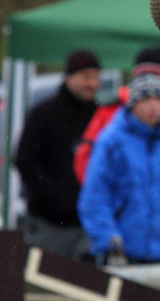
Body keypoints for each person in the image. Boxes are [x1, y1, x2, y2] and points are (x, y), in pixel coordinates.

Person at [74, 46, 160, 210]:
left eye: (156, 76)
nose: (150, 82)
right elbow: (86, 154)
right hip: (122, 209)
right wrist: (105, 196)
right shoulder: (112, 110)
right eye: (144, 76)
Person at [78, 73, 160, 265]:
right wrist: (108, 240)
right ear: (133, 103)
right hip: (121, 255)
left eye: (158, 99)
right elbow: (94, 197)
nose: (153, 106)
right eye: (145, 99)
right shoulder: (111, 141)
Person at [15, 49, 101, 260]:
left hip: (88, 225)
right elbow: (25, 160)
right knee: (45, 276)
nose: (92, 83)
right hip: (49, 225)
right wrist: (54, 196)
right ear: (69, 77)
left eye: (96, 77)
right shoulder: (43, 114)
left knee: (88, 279)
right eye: (86, 77)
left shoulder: (100, 116)